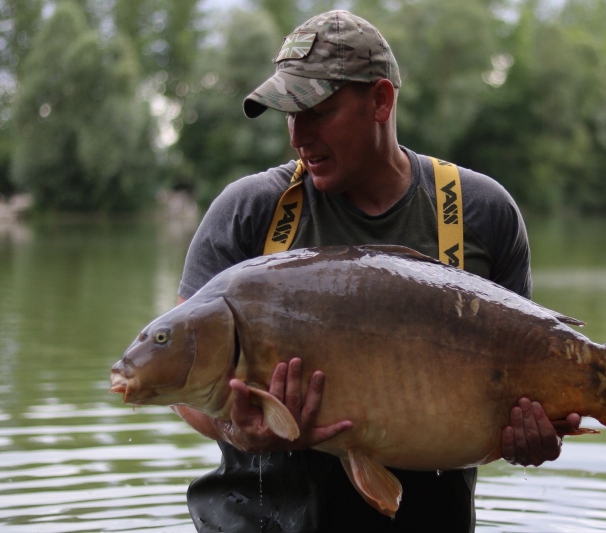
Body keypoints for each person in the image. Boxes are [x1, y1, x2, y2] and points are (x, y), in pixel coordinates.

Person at [173, 10, 581, 533]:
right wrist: (237, 430)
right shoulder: (249, 211)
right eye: (287, 113)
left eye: (317, 111)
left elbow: (521, 384)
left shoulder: (480, 212)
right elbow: (183, 381)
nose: (299, 135)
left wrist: (528, 435)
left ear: (381, 101)